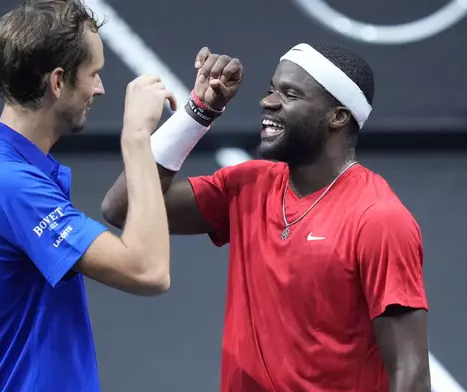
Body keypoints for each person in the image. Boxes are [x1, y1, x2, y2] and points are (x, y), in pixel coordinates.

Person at [102, 43, 431, 391]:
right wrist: (198, 112)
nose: (268, 102)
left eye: (289, 94)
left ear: (337, 116)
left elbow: (411, 376)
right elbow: (123, 207)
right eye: (272, 89)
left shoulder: (379, 219)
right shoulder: (247, 185)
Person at [0, 0, 218, 390]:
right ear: (57, 81)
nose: (99, 88)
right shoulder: (13, 186)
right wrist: (135, 136)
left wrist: (194, 114)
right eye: (94, 74)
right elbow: (148, 271)